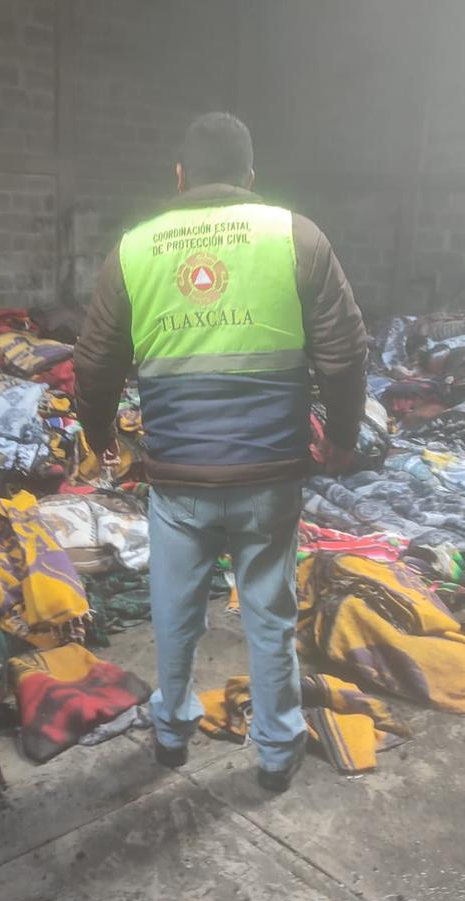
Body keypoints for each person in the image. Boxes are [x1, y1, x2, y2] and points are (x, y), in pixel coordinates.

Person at [74, 112, 367, 792]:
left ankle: (172, 735)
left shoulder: (135, 248)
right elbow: (345, 355)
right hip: (269, 475)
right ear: (249, 178)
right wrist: (344, 439)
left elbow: (94, 366)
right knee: (268, 610)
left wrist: (99, 439)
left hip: (178, 481)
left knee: (173, 609)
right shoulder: (296, 235)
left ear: (179, 177)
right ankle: (275, 751)